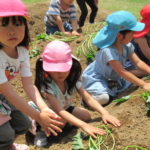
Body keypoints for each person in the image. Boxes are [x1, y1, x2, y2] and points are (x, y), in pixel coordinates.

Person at [31, 40, 121, 147]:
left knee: (86, 116)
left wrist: (104, 113)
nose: (60, 73)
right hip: (48, 113)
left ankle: (67, 124)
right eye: (54, 69)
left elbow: (87, 97)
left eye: (64, 68)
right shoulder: (47, 85)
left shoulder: (72, 77)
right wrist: (83, 126)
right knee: (62, 120)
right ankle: (40, 132)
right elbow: (59, 111)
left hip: (64, 107)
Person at [0, 0, 64, 150]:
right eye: (3, 24)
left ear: (25, 26)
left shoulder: (22, 52)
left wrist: (43, 109)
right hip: (4, 94)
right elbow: (8, 92)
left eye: (17, 24)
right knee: (6, 134)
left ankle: (7, 145)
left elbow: (28, 84)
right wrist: (38, 117)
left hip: (2, 96)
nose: (12, 31)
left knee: (24, 125)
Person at [82, 10, 150, 105]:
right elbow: (121, 72)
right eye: (132, 33)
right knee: (103, 98)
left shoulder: (127, 46)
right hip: (99, 78)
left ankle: (111, 89)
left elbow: (138, 62)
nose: (134, 36)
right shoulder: (108, 51)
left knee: (133, 82)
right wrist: (143, 84)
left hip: (114, 78)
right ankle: (86, 98)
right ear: (119, 36)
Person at [124, 3, 150, 77]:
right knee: (145, 72)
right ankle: (120, 73)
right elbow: (148, 54)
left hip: (144, 59)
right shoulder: (140, 35)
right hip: (134, 59)